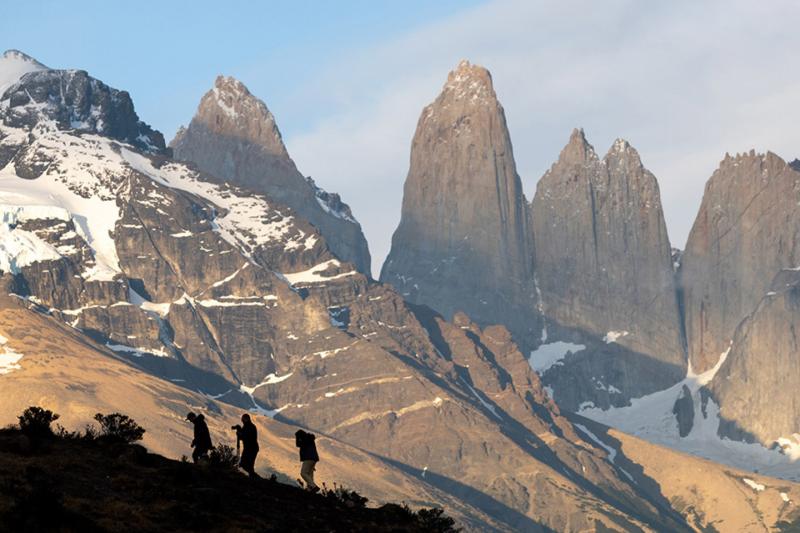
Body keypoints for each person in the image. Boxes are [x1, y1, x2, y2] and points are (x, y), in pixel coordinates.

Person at [233, 413, 260, 478]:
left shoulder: (250, 426)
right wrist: (239, 431)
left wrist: (239, 433)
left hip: (251, 449)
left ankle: (254, 478)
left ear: (246, 419)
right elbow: (243, 435)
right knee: (246, 464)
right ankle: (252, 478)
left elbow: (245, 436)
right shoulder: (248, 426)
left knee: (247, 465)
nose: (242, 420)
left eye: (243, 419)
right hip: (250, 448)